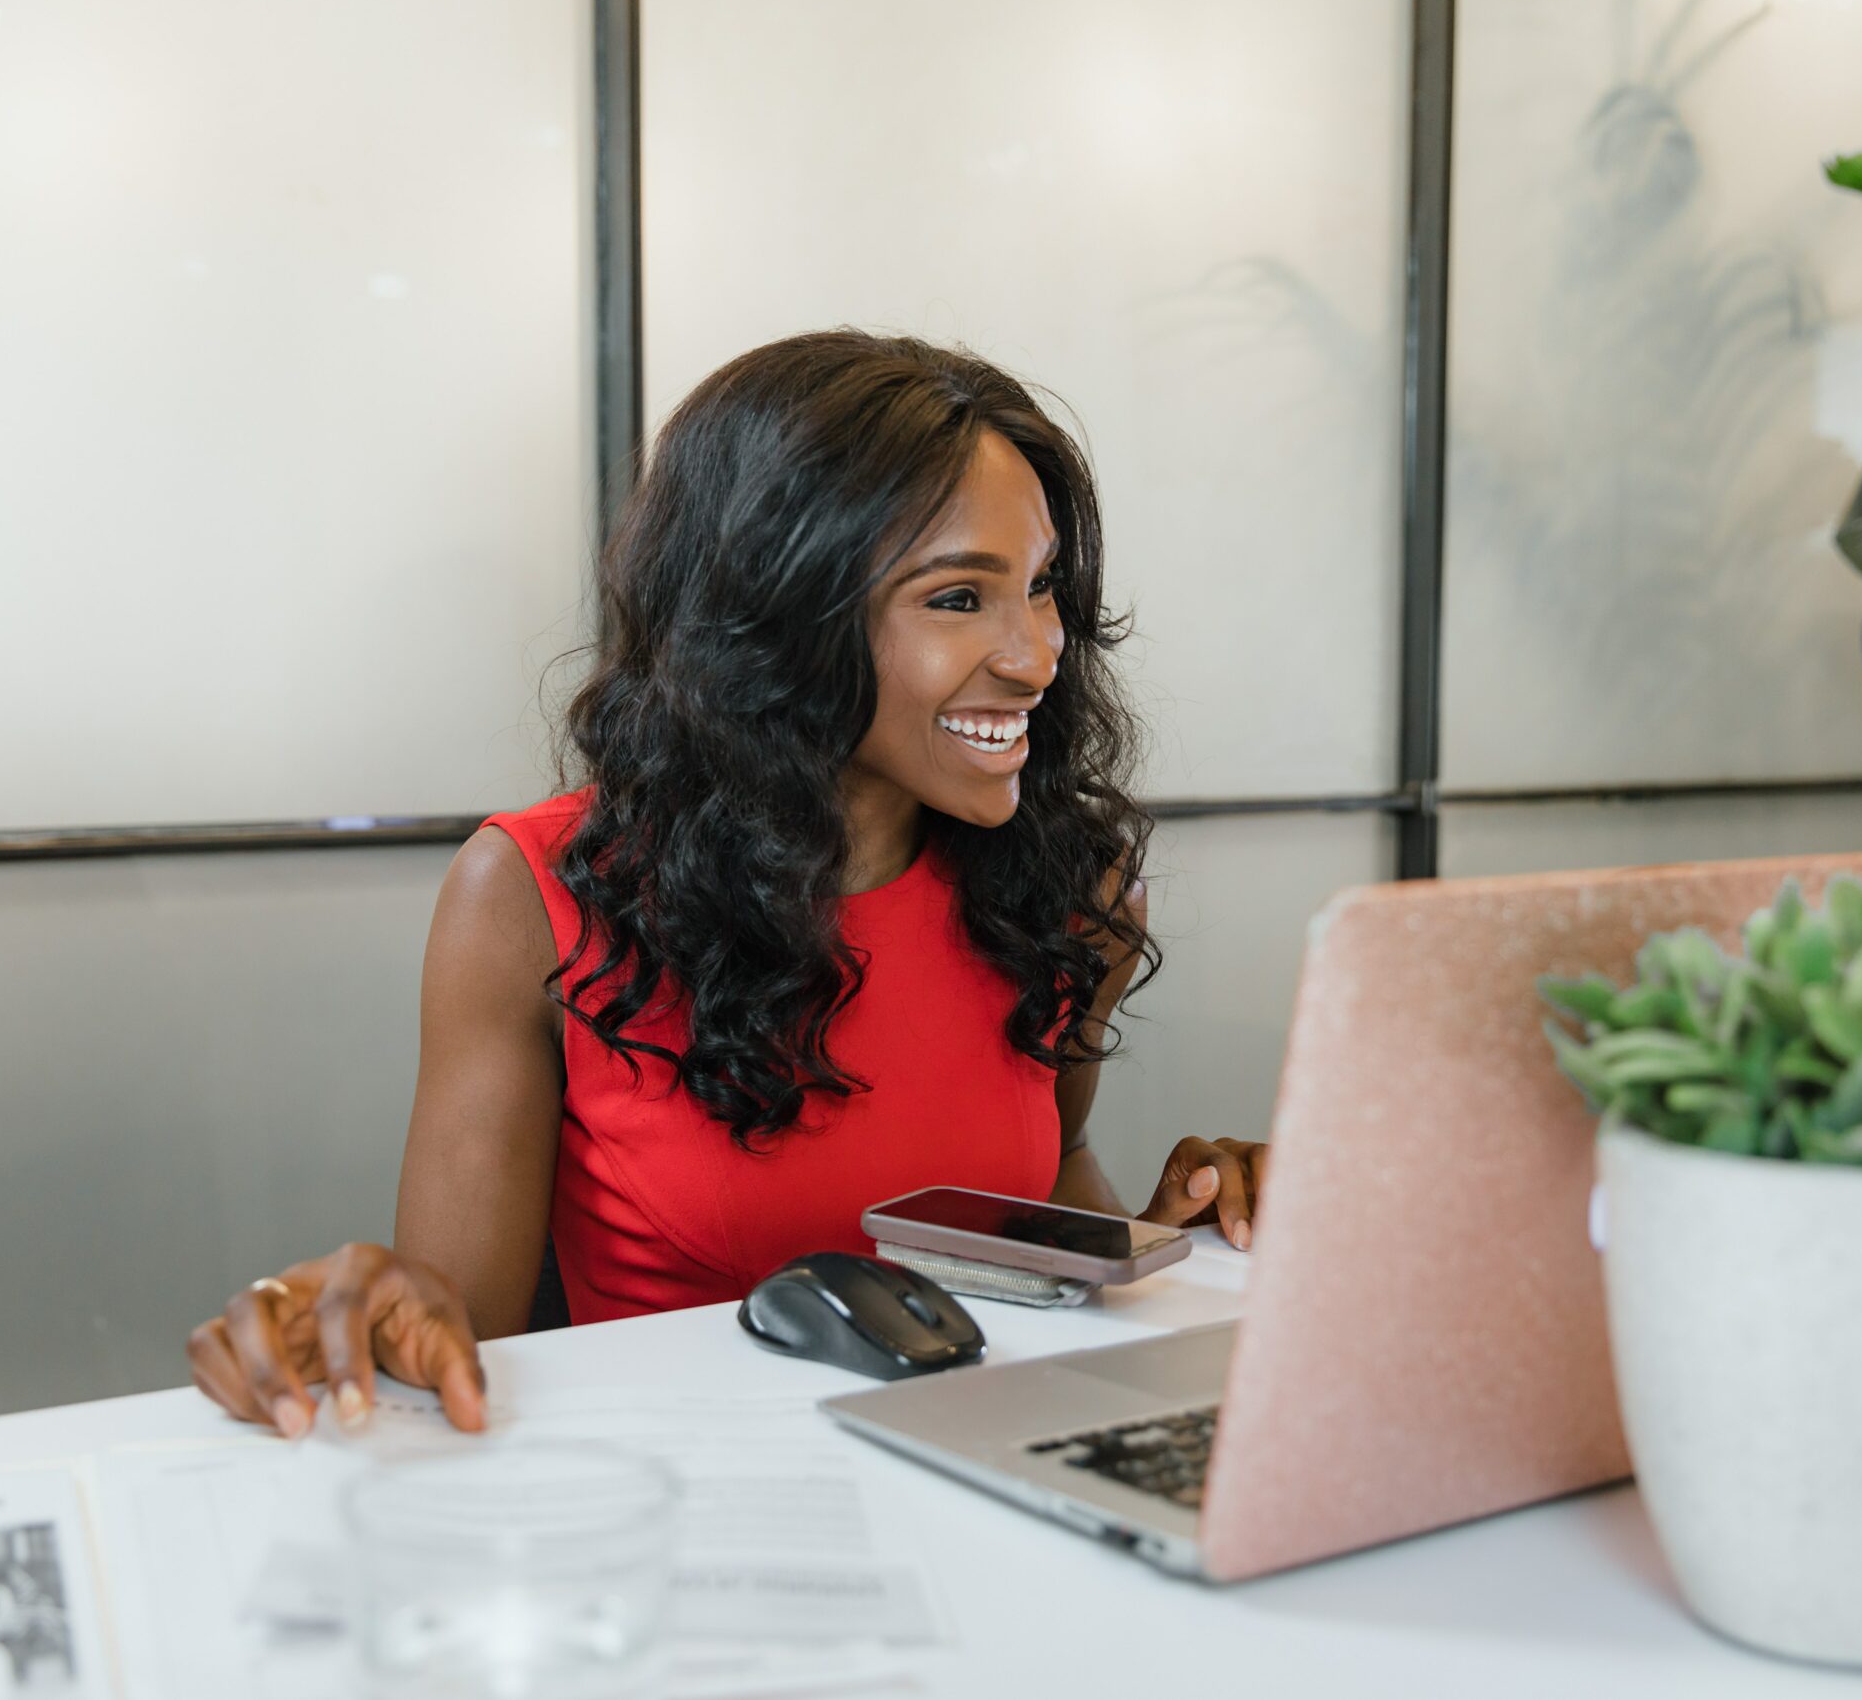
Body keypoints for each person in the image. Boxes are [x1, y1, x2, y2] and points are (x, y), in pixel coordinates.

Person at [187, 331, 1271, 1436]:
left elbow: (1048, 1190)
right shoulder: (531, 895)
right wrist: (373, 1312)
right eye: (957, 600)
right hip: (683, 1508)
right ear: (780, 617)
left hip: (988, 1485)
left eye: (1041, 589)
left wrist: (1189, 1236)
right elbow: (455, 1342)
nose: (1035, 654)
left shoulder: (1070, 888)